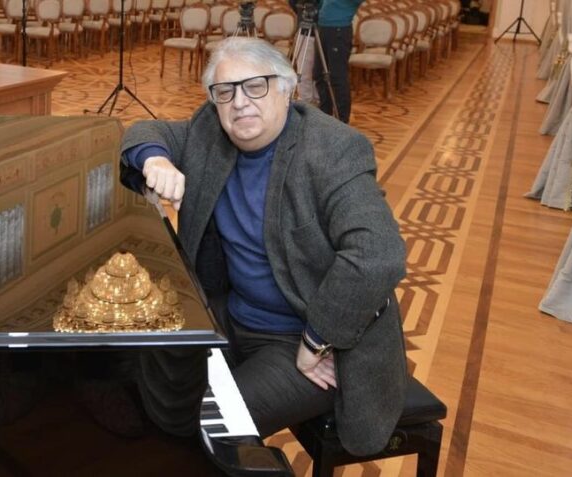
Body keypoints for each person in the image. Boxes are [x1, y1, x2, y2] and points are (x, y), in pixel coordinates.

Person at [120, 37, 407, 456]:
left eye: (256, 86)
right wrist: (155, 160)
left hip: (303, 342)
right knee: (134, 357)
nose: (240, 103)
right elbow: (146, 131)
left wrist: (318, 339)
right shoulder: (210, 130)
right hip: (234, 315)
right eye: (225, 91)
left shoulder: (332, 149)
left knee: (210, 425)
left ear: (287, 89)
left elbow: (379, 254)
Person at [314, 0, 364, 124]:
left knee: (337, 77)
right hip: (322, 27)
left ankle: (342, 121)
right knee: (319, 74)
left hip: (339, 29)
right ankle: (325, 116)